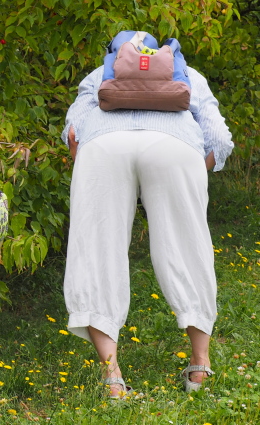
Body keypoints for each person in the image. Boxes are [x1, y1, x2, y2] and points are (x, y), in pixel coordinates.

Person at [63, 39, 234, 398]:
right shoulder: (187, 73)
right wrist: (195, 171)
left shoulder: (100, 74)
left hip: (103, 146)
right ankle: (199, 366)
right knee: (187, 248)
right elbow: (220, 140)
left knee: (97, 251)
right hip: (175, 146)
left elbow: (73, 132)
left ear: (116, 54)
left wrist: (84, 157)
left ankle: (112, 377)